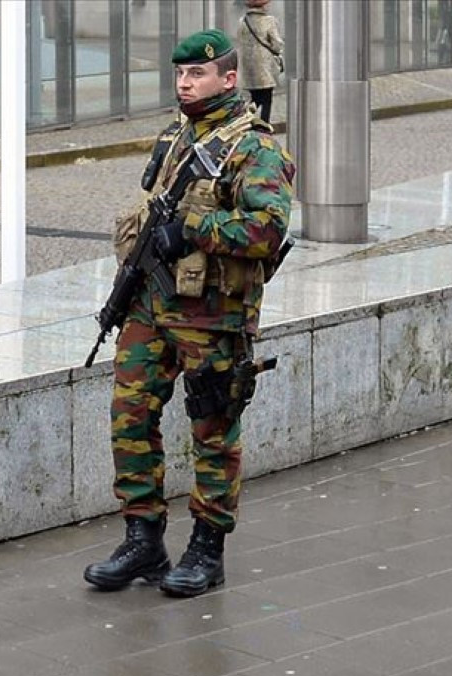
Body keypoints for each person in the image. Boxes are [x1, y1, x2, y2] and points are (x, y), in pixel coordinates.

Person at [83, 29, 295, 599]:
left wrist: (194, 228)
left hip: (213, 314)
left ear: (229, 78)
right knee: (129, 416)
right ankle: (143, 536)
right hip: (152, 304)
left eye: (196, 74)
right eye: (179, 74)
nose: (185, 82)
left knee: (213, 429)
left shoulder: (254, 147)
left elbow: (268, 229)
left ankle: (207, 548)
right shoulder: (177, 135)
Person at [235, 0, 284, 124]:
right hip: (264, 69)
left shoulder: (242, 22)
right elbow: (277, 44)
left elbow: (240, 42)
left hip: (249, 70)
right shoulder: (269, 21)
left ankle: (245, 118)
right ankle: (264, 125)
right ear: (264, 5)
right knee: (267, 99)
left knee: (256, 98)